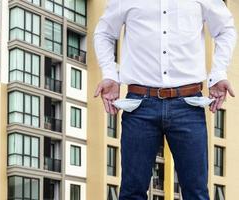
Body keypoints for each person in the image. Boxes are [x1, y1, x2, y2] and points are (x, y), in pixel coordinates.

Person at [93, 0, 237, 199]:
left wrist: (219, 73)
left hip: (189, 105)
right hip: (139, 105)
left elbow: (225, 29)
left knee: (196, 192)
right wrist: (110, 74)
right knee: (131, 192)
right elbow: (105, 33)